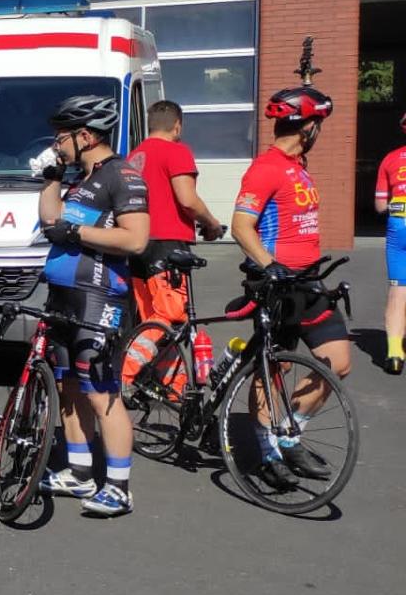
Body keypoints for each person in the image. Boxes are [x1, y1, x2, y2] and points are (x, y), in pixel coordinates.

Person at [34, 95, 151, 517]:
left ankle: (118, 486)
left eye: (61, 137)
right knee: (68, 388)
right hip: (63, 297)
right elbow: (51, 221)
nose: (56, 142)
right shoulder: (81, 177)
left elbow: (136, 239)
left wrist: (78, 231)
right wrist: (52, 176)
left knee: (102, 391)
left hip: (98, 297)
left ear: (85, 136)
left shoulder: (123, 176)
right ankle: (79, 471)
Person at [231, 85, 351, 489]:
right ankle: (265, 451)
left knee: (338, 361)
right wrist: (271, 266)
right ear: (309, 127)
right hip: (276, 283)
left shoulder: (298, 166)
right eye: (319, 125)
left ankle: (288, 432)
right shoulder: (265, 168)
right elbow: (241, 226)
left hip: (308, 280)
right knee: (273, 369)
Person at [123, 100, 227, 394]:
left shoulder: (134, 157)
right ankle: (124, 374)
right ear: (177, 125)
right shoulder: (176, 151)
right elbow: (187, 199)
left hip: (137, 246)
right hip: (167, 246)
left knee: (153, 322)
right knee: (170, 315)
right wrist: (212, 224)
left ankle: (173, 389)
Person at [375, 113, 406, 375]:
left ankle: (395, 354)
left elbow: (380, 205)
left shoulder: (390, 159)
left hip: (398, 227)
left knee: (398, 292)